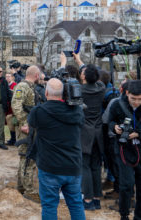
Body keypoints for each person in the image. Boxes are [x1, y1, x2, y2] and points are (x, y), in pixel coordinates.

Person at [28, 78, 86, 220]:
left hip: (50, 168)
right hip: (73, 165)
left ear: (46, 92)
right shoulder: (77, 111)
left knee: (49, 206)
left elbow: (31, 123)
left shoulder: (39, 112)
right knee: (76, 204)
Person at [108, 80, 141, 220]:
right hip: (124, 150)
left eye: (140, 99)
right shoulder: (117, 104)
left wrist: (138, 133)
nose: (136, 102)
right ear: (127, 93)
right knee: (126, 185)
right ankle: (124, 215)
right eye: (133, 98)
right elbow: (110, 122)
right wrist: (115, 127)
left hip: (140, 148)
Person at [11, 65, 40, 203]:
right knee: (27, 157)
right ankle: (29, 190)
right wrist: (24, 122)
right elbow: (16, 104)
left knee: (25, 157)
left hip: (31, 126)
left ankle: (21, 186)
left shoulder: (30, 87)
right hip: (27, 128)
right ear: (36, 75)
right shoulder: (22, 86)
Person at [80, 64, 105, 211]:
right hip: (98, 131)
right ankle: (96, 199)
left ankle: (88, 200)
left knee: (85, 166)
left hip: (85, 132)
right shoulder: (101, 88)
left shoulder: (81, 91)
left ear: (84, 77)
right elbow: (97, 78)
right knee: (96, 166)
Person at [5, 72, 17, 146]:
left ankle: (15, 139)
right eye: (6, 76)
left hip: (13, 107)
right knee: (9, 123)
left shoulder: (15, 85)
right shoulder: (5, 85)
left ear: (12, 77)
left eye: (9, 76)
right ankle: (12, 138)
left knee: (14, 123)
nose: (7, 78)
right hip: (8, 107)